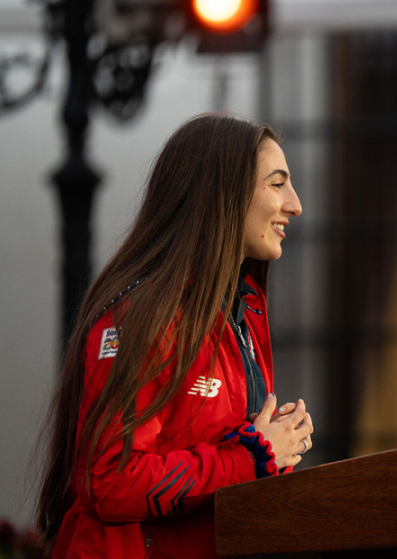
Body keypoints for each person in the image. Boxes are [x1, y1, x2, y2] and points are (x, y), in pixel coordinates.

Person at [35, 113, 311, 558]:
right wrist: (252, 457)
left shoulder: (246, 312)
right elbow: (109, 481)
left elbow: (219, 469)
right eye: (277, 183)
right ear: (222, 192)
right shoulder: (142, 315)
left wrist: (274, 452)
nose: (295, 204)